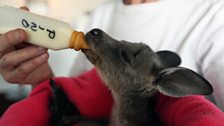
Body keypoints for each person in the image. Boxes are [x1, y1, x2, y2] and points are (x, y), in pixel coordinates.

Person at [0, 0, 224, 125]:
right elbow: (80, 95)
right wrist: (39, 77)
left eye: (124, 56)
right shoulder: (102, 12)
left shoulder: (213, 15)